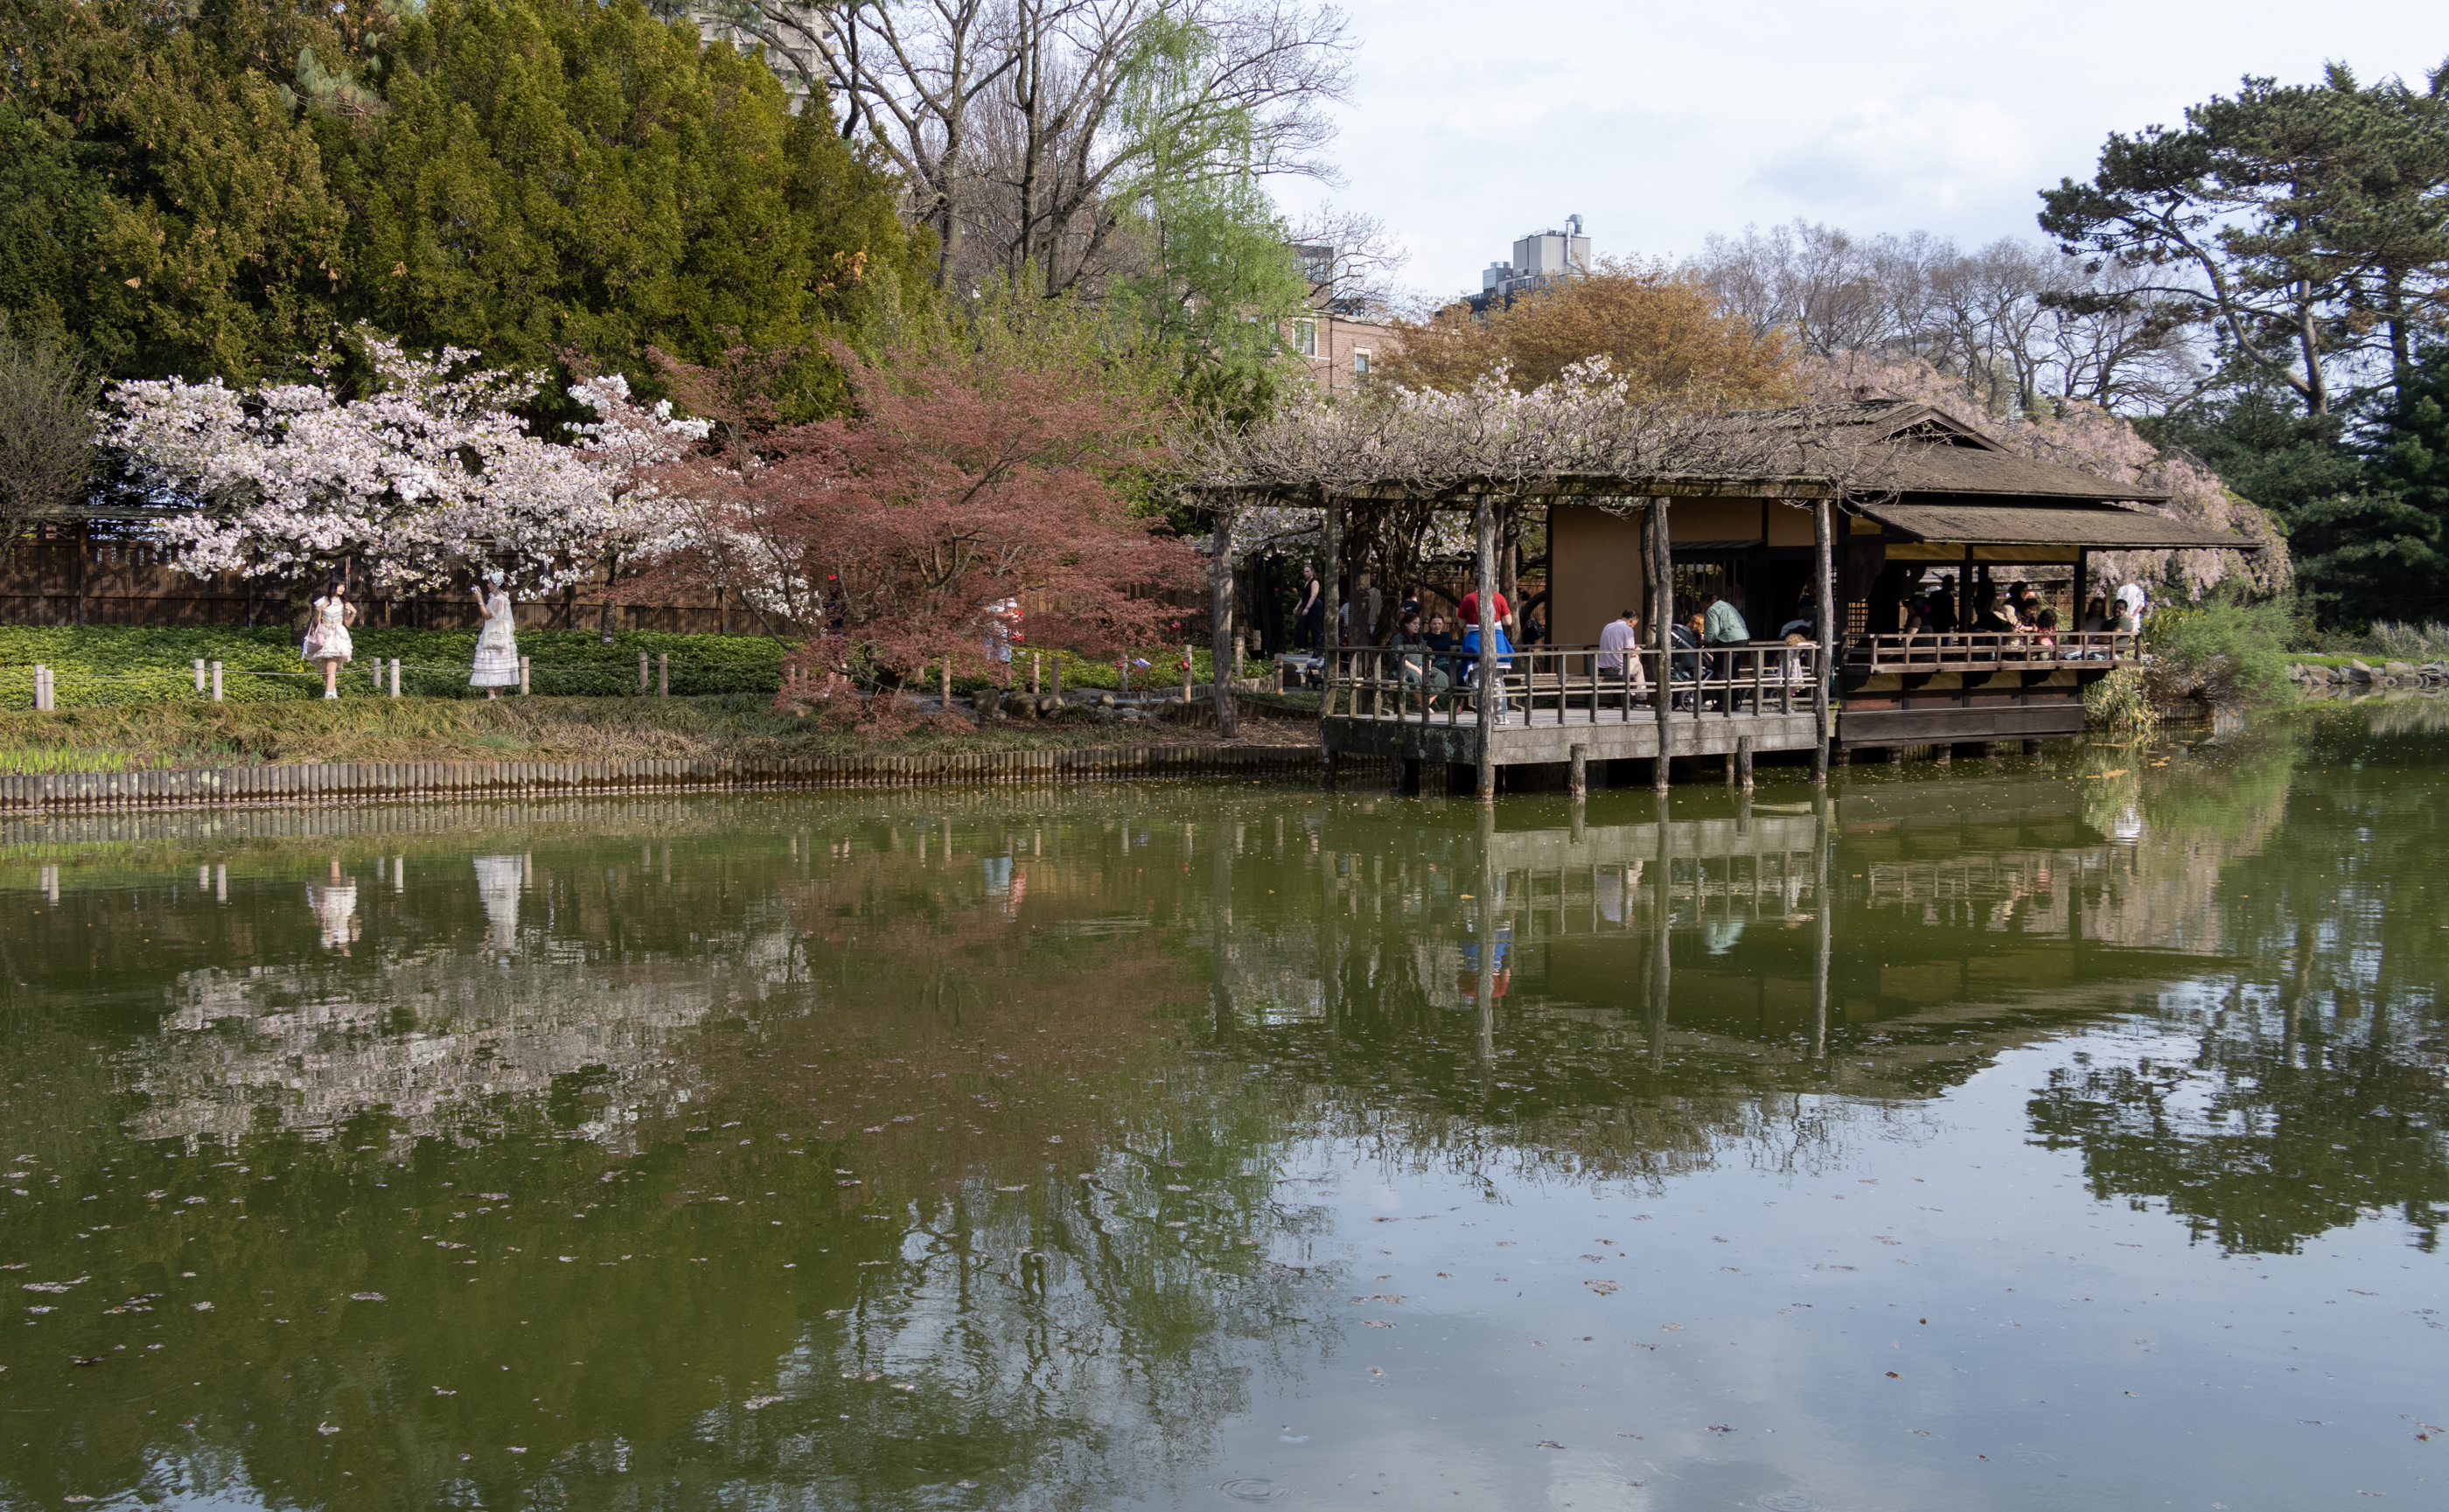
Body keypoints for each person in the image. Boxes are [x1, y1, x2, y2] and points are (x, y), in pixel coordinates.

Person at [469, 571, 520, 699]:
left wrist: (480, 600)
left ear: (496, 584)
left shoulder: (498, 599)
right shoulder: (501, 597)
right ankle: (499, 696)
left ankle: (492, 696)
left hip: (494, 637)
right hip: (501, 636)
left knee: (492, 665)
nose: (488, 585)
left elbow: (487, 615)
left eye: (489, 583)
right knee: (499, 666)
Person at [302, 578, 356, 700]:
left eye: (344, 586)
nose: (342, 588)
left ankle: (328, 697)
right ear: (333, 586)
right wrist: (319, 610)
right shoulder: (323, 600)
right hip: (324, 634)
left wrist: (354, 614)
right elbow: (316, 621)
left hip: (337, 637)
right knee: (326, 669)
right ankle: (333, 693)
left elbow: (347, 623)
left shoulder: (344, 603)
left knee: (331, 669)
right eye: (340, 586)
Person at [1460, 612, 1517, 723]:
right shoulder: (1499, 598)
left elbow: (1461, 624)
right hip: (1497, 641)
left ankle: (1483, 716)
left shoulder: (1468, 599)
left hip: (1474, 641)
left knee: (1477, 681)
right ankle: (1501, 717)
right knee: (1497, 681)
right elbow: (1508, 621)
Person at [1390, 610, 1449, 709]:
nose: (1417, 626)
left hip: (1422, 667)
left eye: (1418, 623)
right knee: (1416, 676)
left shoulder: (1419, 637)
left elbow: (1428, 654)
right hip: (1403, 669)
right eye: (1414, 623)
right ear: (1406, 624)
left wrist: (1428, 668)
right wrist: (1417, 669)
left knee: (1443, 677)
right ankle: (1424, 706)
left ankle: (1424, 705)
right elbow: (1399, 658)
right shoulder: (1398, 638)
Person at [1595, 608, 1648, 696]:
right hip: (1617, 670)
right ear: (1632, 620)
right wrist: (1638, 651)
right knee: (1638, 665)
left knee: (1633, 663)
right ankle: (1641, 698)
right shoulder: (1627, 629)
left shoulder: (1608, 626)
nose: (1634, 626)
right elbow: (1629, 654)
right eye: (1635, 623)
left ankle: (1632, 693)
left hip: (1603, 668)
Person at [1294, 563, 1323, 651]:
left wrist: (1307, 608)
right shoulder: (1305, 582)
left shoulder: (1314, 582)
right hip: (1306, 603)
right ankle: (1303, 647)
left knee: (1315, 626)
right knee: (1301, 625)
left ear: (1312, 572)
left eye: (1308, 572)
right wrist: (1297, 606)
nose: (1306, 573)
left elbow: (1313, 596)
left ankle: (1317, 648)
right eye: (1304, 572)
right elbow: (1304, 597)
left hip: (1314, 606)